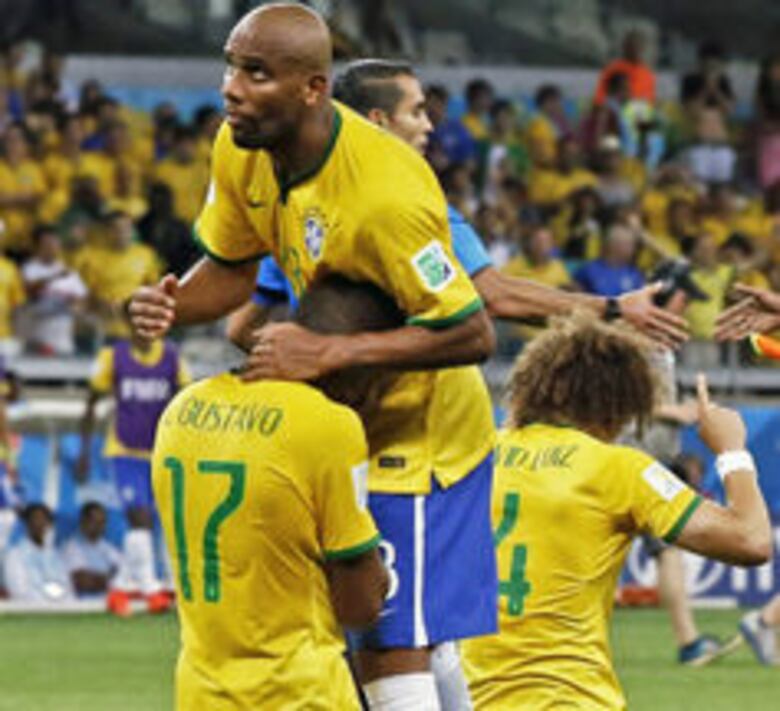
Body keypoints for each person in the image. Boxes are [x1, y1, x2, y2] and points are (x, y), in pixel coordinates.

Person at [129, 10, 681, 708]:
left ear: (313, 88)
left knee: (387, 641)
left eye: (255, 73)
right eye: (232, 67)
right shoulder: (242, 146)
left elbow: (473, 329)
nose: (231, 88)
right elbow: (232, 272)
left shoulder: (390, 192)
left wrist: (330, 349)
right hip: (348, 411)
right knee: (414, 636)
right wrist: (172, 304)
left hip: (424, 437)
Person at [461, 315, 772, 709]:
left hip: (468, 696)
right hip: (569, 697)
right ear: (621, 401)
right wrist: (732, 451)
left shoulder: (475, 453)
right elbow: (751, 541)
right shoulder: (617, 468)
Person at [152, 276, 390, 710]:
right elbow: (360, 604)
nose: (374, 397)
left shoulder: (181, 409)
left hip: (199, 690)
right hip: (299, 693)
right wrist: (382, 577)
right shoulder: (328, 425)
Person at [78, 327, 191, 615]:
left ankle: (120, 588)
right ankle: (152, 590)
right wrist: (84, 451)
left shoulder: (173, 358)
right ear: (129, 324)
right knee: (139, 517)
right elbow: (91, 403)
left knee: (156, 523)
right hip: (124, 451)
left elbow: (186, 403)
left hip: (161, 451)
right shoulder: (112, 357)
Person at [21, 224, 87, 355]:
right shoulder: (28, 269)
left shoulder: (68, 271)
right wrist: (54, 277)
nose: (51, 248)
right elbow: (28, 292)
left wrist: (76, 304)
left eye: (55, 243)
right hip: (36, 341)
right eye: (47, 244)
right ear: (36, 246)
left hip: (63, 342)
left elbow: (83, 301)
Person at [4, 503, 75, 602]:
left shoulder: (56, 556)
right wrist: (49, 603)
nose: (41, 524)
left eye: (45, 519)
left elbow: (68, 588)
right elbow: (20, 592)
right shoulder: (15, 555)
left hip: (62, 609)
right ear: (27, 523)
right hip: (32, 609)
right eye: (36, 519)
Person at [61, 501, 121, 597]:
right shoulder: (71, 547)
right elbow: (83, 582)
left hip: (108, 601)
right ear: (83, 522)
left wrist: (101, 579)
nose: (99, 527)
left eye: (102, 522)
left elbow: (124, 573)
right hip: (83, 603)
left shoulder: (107, 547)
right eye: (95, 522)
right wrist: (111, 578)